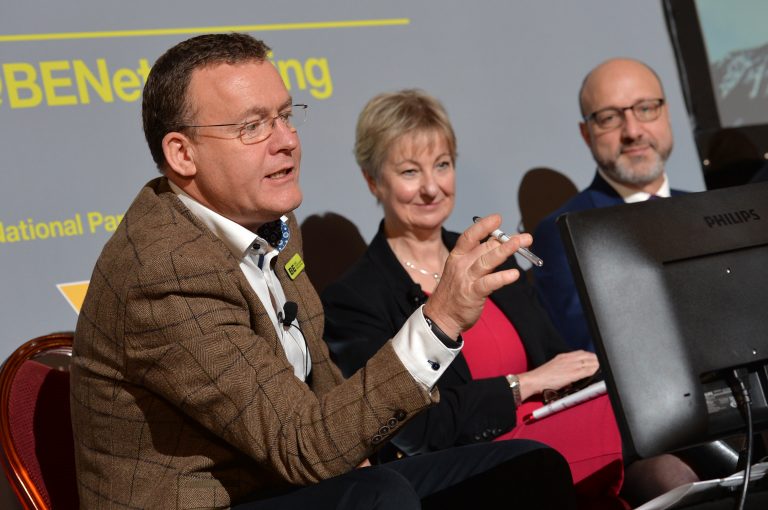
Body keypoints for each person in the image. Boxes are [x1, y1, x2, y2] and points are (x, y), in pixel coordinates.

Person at [69, 33, 577, 510]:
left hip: (290, 484)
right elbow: (300, 445)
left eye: (286, 116)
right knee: (379, 499)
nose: (286, 141)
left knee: (528, 466)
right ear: (182, 153)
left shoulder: (274, 221)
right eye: (252, 126)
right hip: (223, 500)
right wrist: (439, 318)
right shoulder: (165, 271)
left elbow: (323, 384)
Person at [321, 89, 634, 507]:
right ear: (373, 180)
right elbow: (415, 429)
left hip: (556, 441)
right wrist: (521, 386)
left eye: (442, 165)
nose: (432, 188)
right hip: (474, 475)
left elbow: (559, 361)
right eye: (410, 172)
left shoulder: (492, 256)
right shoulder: (356, 298)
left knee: (647, 421)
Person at [532, 58, 686, 354]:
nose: (633, 131)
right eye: (609, 118)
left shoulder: (705, 210)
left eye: (645, 109)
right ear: (586, 134)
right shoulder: (564, 233)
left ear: (665, 113)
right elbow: (592, 350)